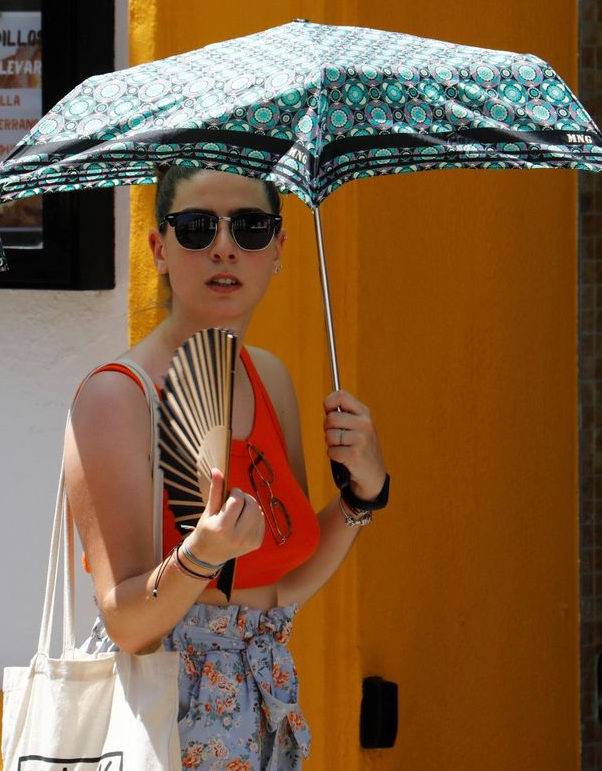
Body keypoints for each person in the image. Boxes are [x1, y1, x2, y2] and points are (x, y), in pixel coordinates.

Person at [64, 165, 390, 771]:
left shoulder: (270, 380)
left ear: (279, 250)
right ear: (159, 249)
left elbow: (280, 586)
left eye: (250, 227)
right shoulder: (119, 398)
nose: (224, 246)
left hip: (266, 717)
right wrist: (200, 558)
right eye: (195, 227)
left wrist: (362, 498)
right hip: (163, 730)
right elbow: (128, 622)